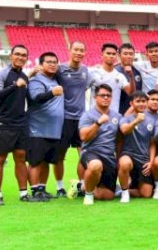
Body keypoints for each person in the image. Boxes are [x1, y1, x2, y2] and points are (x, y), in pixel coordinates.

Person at [0, 44, 30, 206]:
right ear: (11, 56)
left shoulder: (25, 77)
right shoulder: (2, 74)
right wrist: (14, 86)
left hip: (20, 123)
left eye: (24, 55)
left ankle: (23, 193)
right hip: (3, 123)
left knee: (20, 157)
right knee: (0, 158)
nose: (21, 57)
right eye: (18, 54)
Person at [56, 41, 93, 198]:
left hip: (81, 119)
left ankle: (82, 185)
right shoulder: (60, 69)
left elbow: (94, 85)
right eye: (76, 49)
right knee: (60, 155)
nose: (78, 52)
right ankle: (59, 187)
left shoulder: (85, 71)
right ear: (69, 50)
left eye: (81, 50)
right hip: (63, 118)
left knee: (84, 154)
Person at [26, 52, 65, 202]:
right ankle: (35, 191)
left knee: (46, 161)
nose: (52, 64)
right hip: (38, 128)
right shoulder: (36, 81)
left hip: (53, 130)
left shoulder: (55, 80)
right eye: (48, 62)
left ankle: (42, 188)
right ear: (41, 65)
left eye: (55, 62)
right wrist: (51, 93)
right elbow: (37, 97)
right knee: (35, 161)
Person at [78, 84, 123, 205]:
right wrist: (98, 123)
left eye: (108, 96)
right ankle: (88, 195)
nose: (106, 98)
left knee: (107, 196)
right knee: (95, 165)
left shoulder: (117, 116)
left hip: (109, 157)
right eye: (102, 95)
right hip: (91, 152)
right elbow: (83, 136)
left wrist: (118, 159)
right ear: (95, 97)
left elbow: (119, 140)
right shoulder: (88, 115)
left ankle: (81, 187)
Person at [117, 91, 158, 202]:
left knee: (146, 194)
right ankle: (124, 193)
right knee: (124, 163)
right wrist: (136, 121)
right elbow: (124, 130)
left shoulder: (152, 121)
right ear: (131, 103)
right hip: (129, 154)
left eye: (144, 101)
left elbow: (152, 143)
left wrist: (151, 161)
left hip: (143, 159)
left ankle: (120, 189)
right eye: (138, 101)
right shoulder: (125, 118)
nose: (141, 104)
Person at [90, 43, 130, 114]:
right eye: (108, 53)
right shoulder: (93, 72)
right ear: (102, 55)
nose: (111, 56)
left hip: (112, 118)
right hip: (95, 116)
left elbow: (131, 92)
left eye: (113, 54)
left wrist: (131, 76)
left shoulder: (119, 76)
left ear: (116, 56)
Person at [117, 43, 140, 115]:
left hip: (136, 112)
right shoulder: (115, 71)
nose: (128, 56)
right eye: (125, 54)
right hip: (119, 111)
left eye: (131, 54)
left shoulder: (139, 70)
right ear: (119, 55)